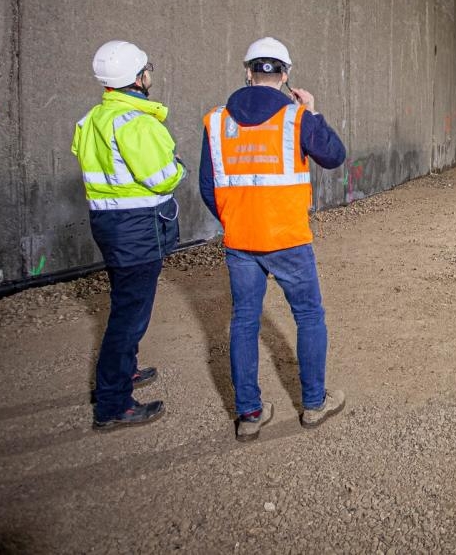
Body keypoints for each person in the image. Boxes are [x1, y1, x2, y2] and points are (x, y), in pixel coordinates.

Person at [199, 37, 347, 441]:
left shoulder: (217, 121)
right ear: (285, 76)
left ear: (248, 72)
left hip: (240, 242)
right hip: (288, 239)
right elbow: (334, 155)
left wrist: (237, 218)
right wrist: (312, 112)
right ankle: (314, 404)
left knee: (244, 322)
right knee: (309, 316)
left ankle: (250, 414)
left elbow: (208, 187)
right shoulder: (296, 118)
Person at [72, 40, 185, 431]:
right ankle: (113, 403)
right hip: (137, 229)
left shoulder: (93, 120)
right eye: (146, 68)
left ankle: (124, 372)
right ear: (138, 79)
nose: (150, 73)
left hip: (110, 225)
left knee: (126, 304)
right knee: (129, 317)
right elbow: (163, 176)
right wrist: (179, 167)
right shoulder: (136, 123)